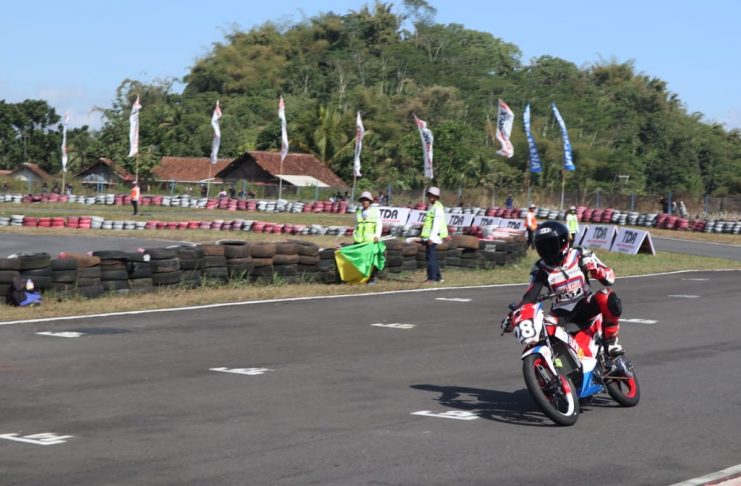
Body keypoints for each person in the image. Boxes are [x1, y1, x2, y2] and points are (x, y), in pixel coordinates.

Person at [508, 221, 625, 356]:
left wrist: (596, 270)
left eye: (551, 245)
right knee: (540, 327)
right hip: (560, 314)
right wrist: (514, 315)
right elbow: (529, 297)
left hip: (585, 306)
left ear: (563, 242)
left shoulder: (581, 254)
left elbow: (610, 278)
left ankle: (611, 342)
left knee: (606, 296)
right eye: (543, 246)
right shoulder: (540, 268)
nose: (547, 250)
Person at [421, 187, 448, 283]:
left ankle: (431, 278)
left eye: (433, 195)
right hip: (430, 236)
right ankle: (438, 277)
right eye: (429, 195)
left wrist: (431, 238)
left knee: (430, 258)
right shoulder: (432, 206)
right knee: (432, 257)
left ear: (437, 197)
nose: (430, 197)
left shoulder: (437, 208)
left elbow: (436, 224)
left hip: (433, 237)